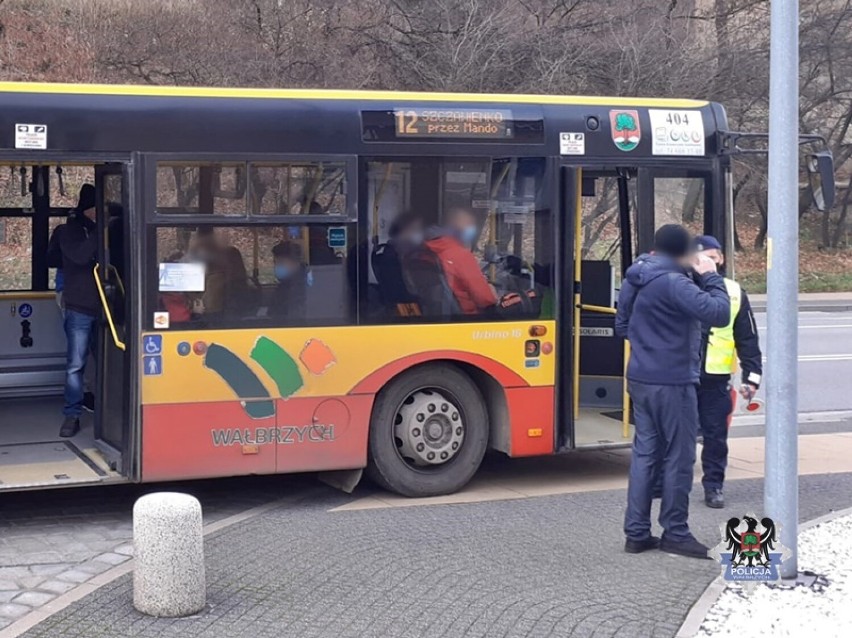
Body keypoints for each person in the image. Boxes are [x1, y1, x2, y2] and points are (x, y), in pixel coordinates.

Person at [615, 224, 730, 559]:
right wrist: (710, 276)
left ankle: (636, 533)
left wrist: (649, 344)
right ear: (683, 251)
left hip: (640, 377)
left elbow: (622, 325)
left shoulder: (637, 275)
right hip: (673, 382)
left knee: (645, 455)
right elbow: (719, 313)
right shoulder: (674, 282)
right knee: (680, 457)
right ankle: (675, 532)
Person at [693, 235, 762, 509]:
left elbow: (748, 339)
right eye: (700, 257)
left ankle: (714, 487)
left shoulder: (733, 292)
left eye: (711, 256)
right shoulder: (681, 287)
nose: (706, 262)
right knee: (674, 435)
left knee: (715, 438)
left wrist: (752, 377)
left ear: (720, 258)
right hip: (682, 377)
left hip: (715, 380)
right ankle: (665, 484)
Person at [46, 184, 100, 437]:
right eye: (96, 210)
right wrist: (101, 233)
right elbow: (79, 257)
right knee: (75, 365)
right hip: (79, 306)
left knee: (108, 364)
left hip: (107, 309)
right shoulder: (69, 232)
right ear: (88, 210)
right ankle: (72, 414)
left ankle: (105, 406)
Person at [424, 208, 498, 315]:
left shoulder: (426, 251)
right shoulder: (459, 255)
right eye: (468, 225)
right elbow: (484, 299)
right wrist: (494, 296)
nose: (471, 229)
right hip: (467, 318)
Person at [372, 212, 424, 308]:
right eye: (415, 229)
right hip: (406, 306)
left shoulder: (390, 249)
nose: (419, 233)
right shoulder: (401, 253)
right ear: (404, 230)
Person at [269, 241, 308, 323]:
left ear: (295, 263)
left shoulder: (301, 286)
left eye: (281, 263)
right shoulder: (285, 284)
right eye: (275, 263)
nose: (277, 267)